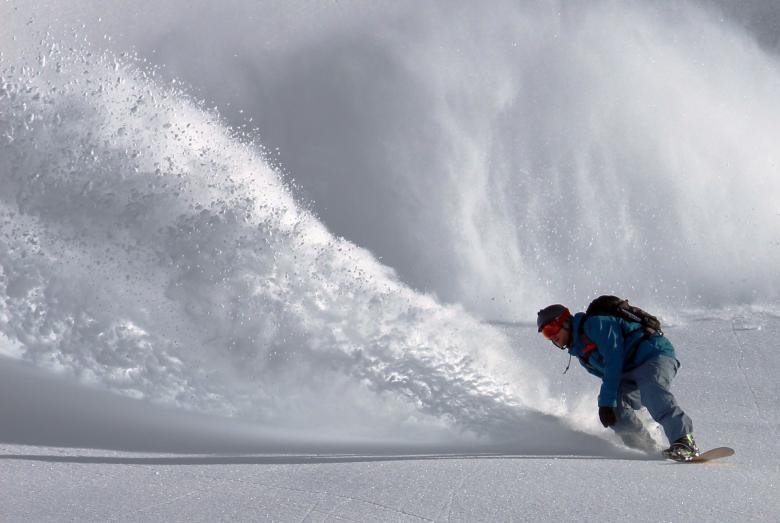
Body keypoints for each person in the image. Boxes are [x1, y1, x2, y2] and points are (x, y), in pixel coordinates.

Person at [536, 303, 699, 461]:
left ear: (564, 322)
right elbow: (610, 377)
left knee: (651, 390)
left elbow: (613, 360)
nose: (552, 337)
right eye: (545, 334)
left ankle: (684, 441)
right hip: (629, 372)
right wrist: (610, 404)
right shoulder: (582, 354)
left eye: (551, 329)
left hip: (652, 355)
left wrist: (606, 401)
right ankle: (647, 448)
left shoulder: (595, 324)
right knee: (615, 410)